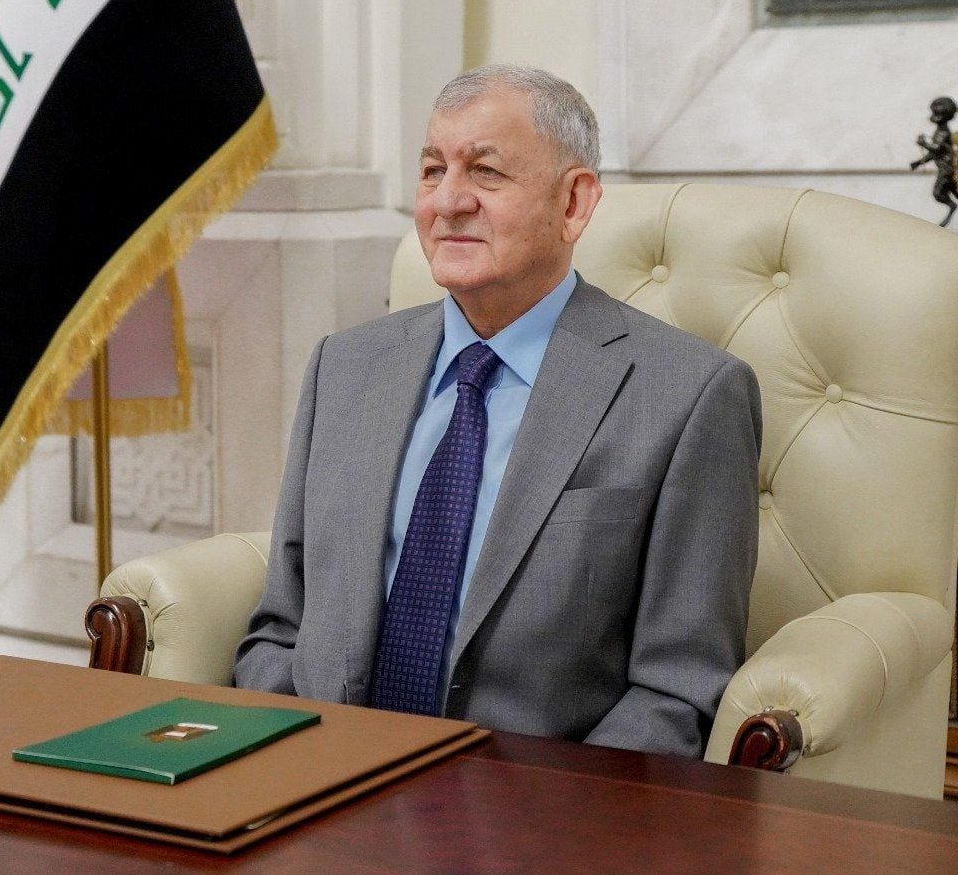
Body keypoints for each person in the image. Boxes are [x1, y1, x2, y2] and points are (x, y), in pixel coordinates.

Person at [235, 64, 761, 757]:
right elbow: (281, 626)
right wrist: (292, 759)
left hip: (535, 798)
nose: (448, 201)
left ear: (573, 203)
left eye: (485, 172)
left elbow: (677, 691)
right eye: (432, 170)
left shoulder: (689, 395)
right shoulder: (345, 365)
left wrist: (545, 809)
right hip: (324, 772)